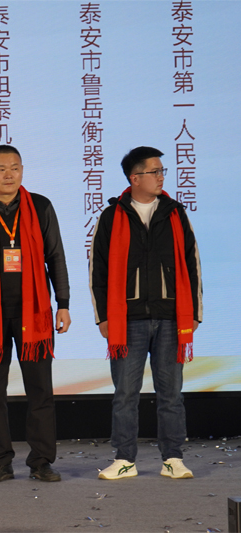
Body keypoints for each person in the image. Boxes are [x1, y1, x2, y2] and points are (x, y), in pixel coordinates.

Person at [0, 144, 70, 483]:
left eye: (15, 168)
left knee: (40, 390)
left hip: (34, 312)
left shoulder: (41, 206)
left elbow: (56, 256)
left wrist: (63, 303)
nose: (9, 175)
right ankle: (0, 463)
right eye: (1, 169)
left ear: (22, 170)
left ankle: (41, 462)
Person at [90, 146, 202, 480]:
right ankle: (124, 459)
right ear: (135, 178)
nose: (161, 177)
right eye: (155, 171)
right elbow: (98, 270)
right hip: (127, 319)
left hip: (171, 317)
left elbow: (192, 264)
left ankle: (173, 458)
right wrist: (103, 317)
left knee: (171, 394)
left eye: (162, 171)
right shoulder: (112, 216)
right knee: (125, 394)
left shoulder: (175, 213)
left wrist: (194, 313)